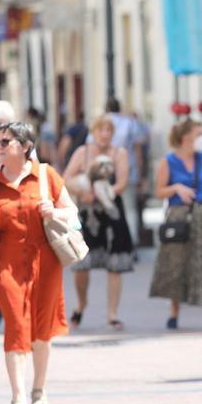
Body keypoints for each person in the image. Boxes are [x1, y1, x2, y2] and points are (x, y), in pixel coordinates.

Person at [0, 121, 77, 404]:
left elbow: (72, 213)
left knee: (42, 329)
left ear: (25, 146)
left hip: (45, 263)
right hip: (7, 266)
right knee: (15, 323)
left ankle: (38, 388)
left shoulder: (45, 176)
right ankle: (17, 396)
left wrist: (55, 211)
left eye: (6, 142)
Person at [150, 119, 202, 330]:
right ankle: (174, 312)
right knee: (176, 263)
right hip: (179, 216)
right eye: (198, 134)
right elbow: (158, 191)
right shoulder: (169, 161)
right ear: (186, 137)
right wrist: (176, 188)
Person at [64, 115, 135, 330]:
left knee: (114, 266)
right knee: (81, 266)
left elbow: (122, 182)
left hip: (111, 211)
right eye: (101, 130)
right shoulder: (82, 152)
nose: (105, 134)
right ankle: (81, 304)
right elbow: (65, 178)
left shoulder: (119, 153)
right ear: (93, 132)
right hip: (87, 213)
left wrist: (104, 193)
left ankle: (112, 313)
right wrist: (83, 193)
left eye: (108, 130)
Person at [89, 98, 148, 246]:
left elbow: (90, 148)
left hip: (101, 174)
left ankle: (106, 242)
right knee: (130, 209)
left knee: (104, 207)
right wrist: (140, 173)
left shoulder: (98, 124)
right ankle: (131, 242)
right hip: (129, 169)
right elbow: (138, 149)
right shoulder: (130, 123)